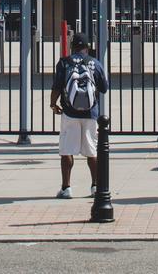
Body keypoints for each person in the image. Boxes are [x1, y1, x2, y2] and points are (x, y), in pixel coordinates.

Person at [51, 32, 109, 199]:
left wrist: (53, 104)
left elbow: (57, 86)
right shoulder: (94, 63)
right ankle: (95, 186)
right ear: (87, 47)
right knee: (92, 150)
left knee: (66, 150)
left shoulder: (64, 63)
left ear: (72, 46)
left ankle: (66, 188)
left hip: (70, 112)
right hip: (91, 113)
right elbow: (104, 88)